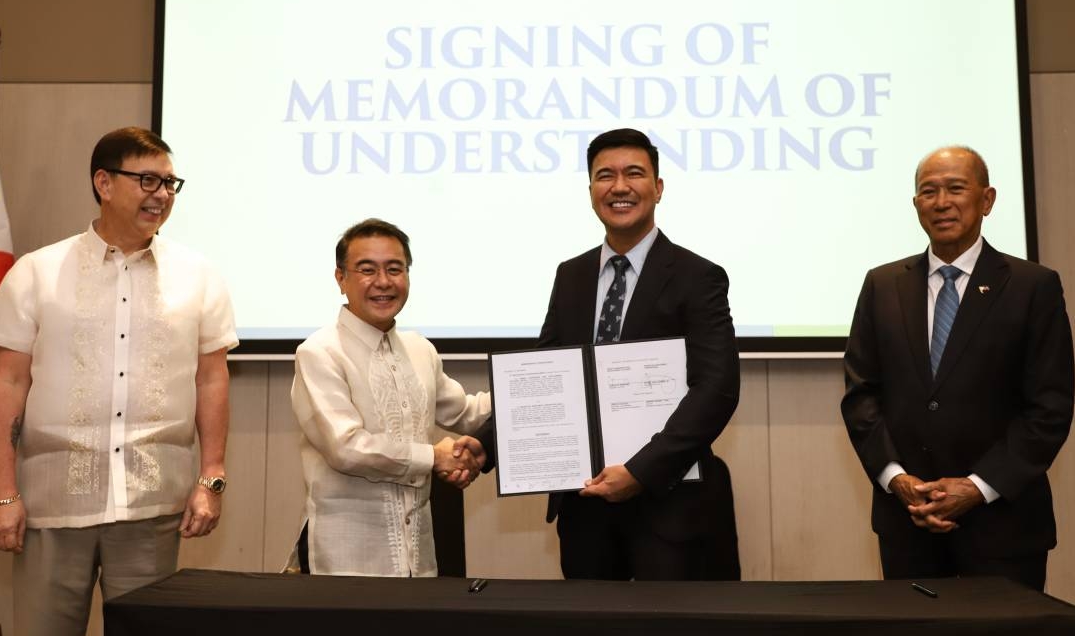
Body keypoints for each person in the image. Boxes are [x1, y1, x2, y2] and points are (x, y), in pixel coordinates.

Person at [0, 127, 237, 636]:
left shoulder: (199, 276)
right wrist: (1, 491)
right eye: (147, 180)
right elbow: (6, 384)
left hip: (153, 507)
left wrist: (210, 479)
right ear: (103, 182)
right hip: (52, 506)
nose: (162, 194)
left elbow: (211, 381)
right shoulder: (36, 272)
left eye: (171, 183)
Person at [482, 127, 741, 580]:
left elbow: (716, 389)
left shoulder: (698, 276)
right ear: (590, 191)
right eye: (605, 176)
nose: (619, 187)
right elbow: (545, 378)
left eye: (634, 174)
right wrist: (483, 444)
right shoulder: (571, 276)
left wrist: (640, 471)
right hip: (585, 508)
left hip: (669, 506)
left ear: (658, 188)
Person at [842, 145, 1074, 591]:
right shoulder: (881, 285)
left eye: (955, 188)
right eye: (928, 191)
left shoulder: (1033, 287)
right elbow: (860, 395)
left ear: (986, 200)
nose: (941, 202)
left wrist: (976, 487)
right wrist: (897, 479)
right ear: (916, 205)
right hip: (907, 524)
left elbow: (1049, 409)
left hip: (1003, 527)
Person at [288, 218, 490, 576]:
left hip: (418, 552)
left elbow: (467, 413)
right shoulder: (319, 352)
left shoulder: (419, 349)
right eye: (367, 270)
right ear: (340, 278)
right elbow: (346, 447)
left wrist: (530, 390)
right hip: (347, 555)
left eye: (395, 269)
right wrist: (434, 456)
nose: (383, 282)